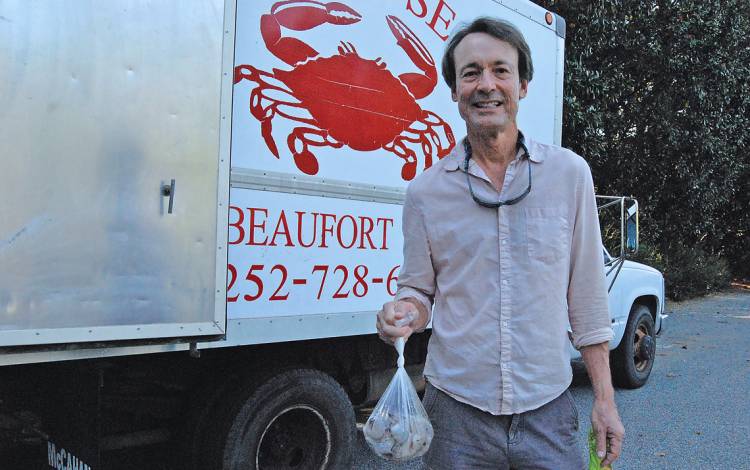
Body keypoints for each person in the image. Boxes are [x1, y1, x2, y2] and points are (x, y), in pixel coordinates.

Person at [376, 17, 625, 469]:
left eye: (501, 70)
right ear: (454, 91)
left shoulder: (570, 176)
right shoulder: (425, 193)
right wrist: (403, 312)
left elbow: (587, 297)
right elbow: (419, 290)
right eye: (470, 72)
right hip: (456, 416)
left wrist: (605, 400)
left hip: (548, 410)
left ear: (523, 85)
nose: (485, 84)